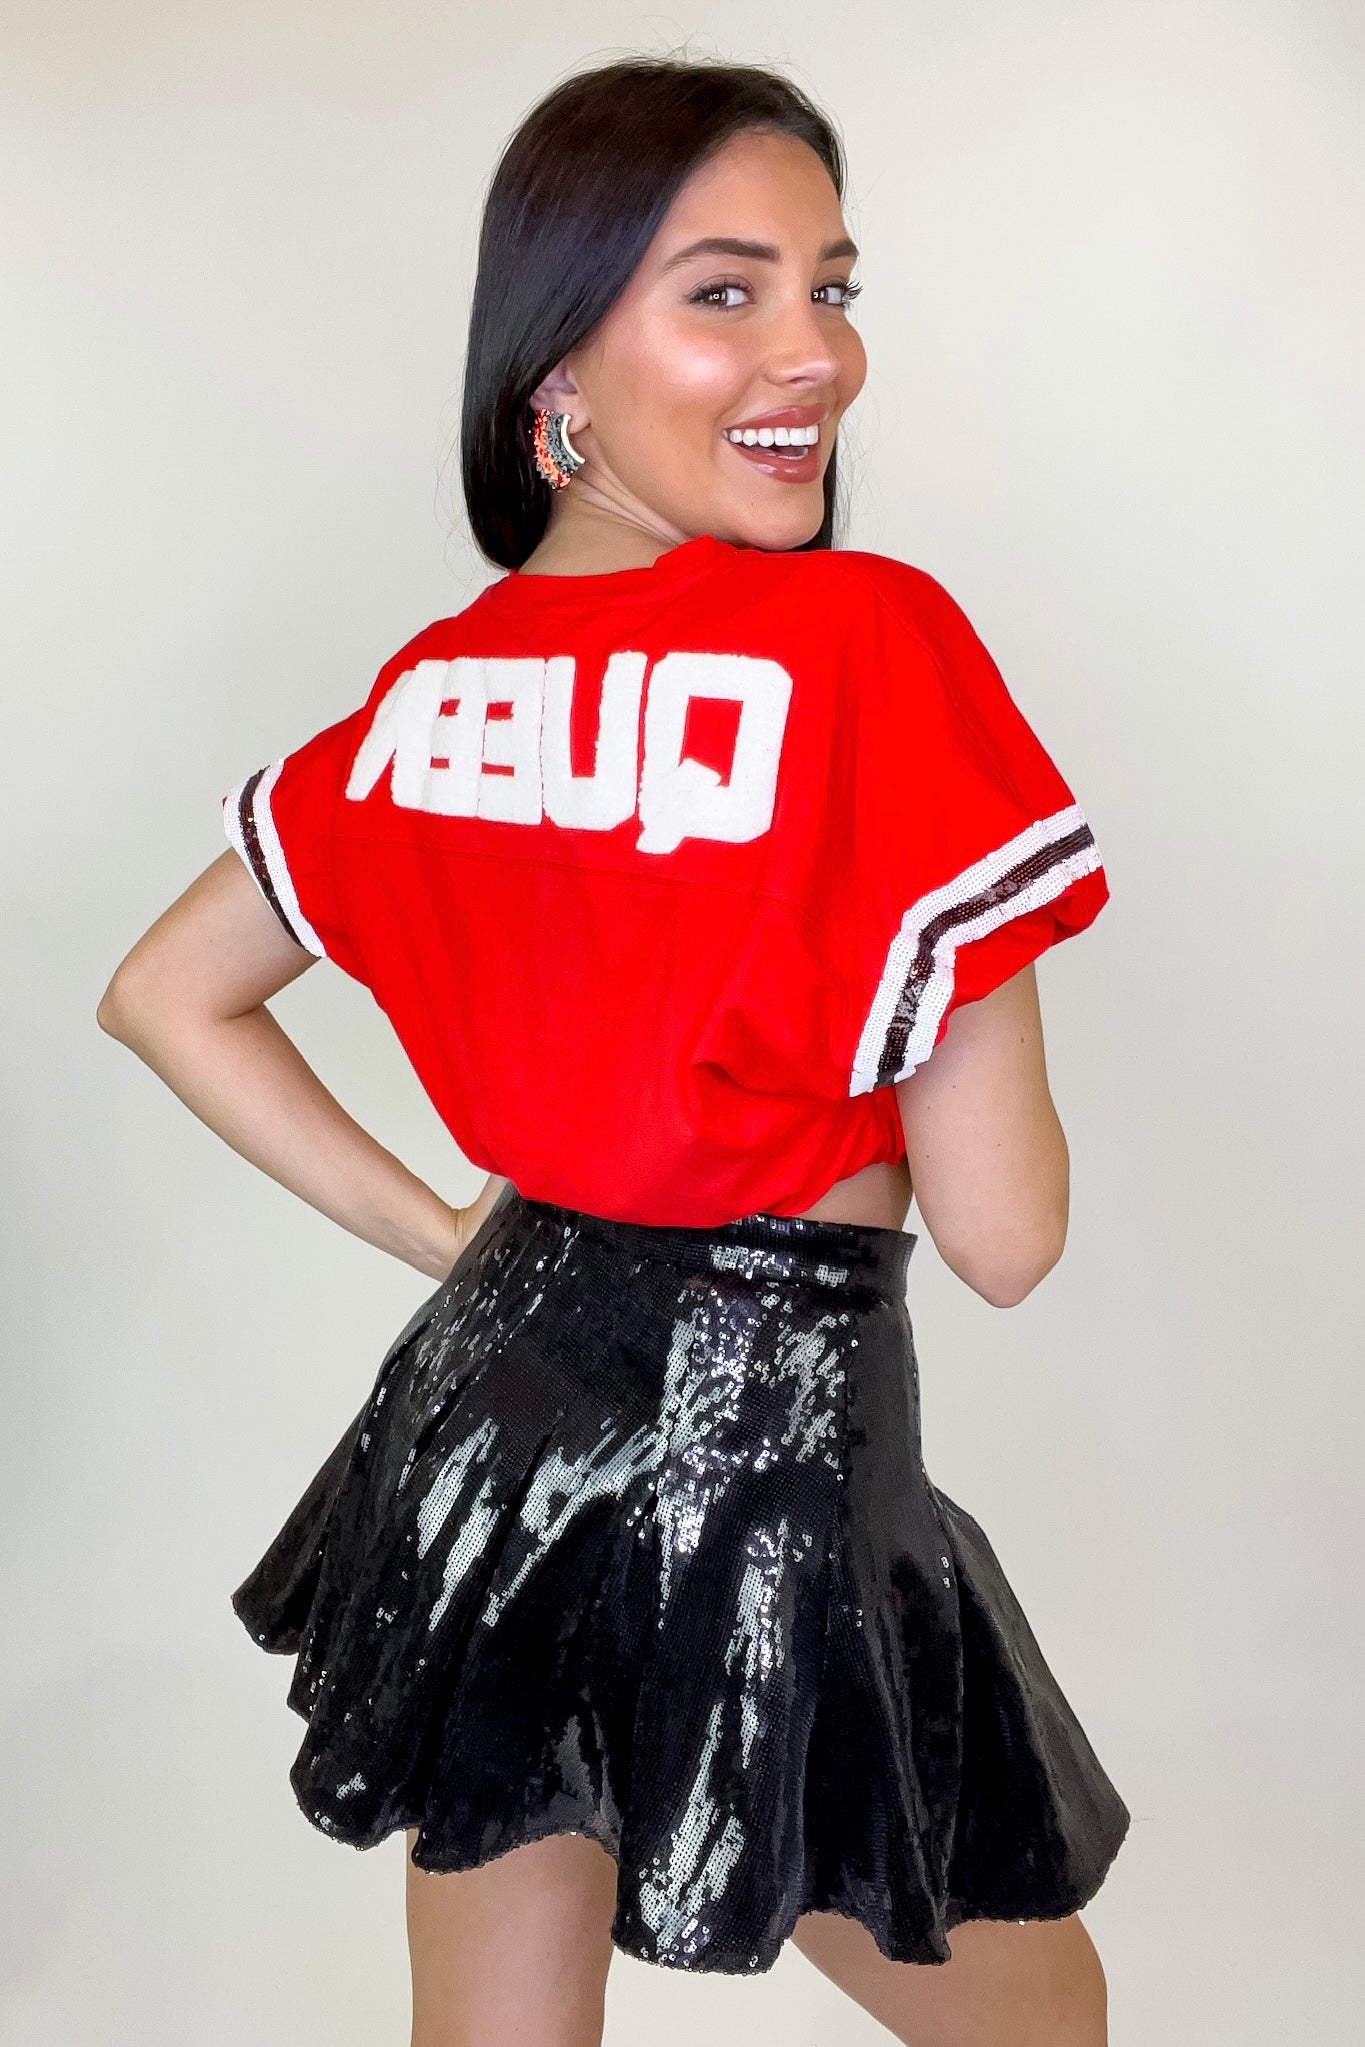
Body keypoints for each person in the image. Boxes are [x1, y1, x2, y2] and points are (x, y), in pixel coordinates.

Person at [96, 53, 1129, 2047]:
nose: (814, 354)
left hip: (483, 1415)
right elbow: (1006, 1235)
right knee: (1036, 2019)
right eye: (724, 291)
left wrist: (445, 1232)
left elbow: (163, 989)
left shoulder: (429, 693)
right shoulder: (872, 645)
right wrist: (949, 904)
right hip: (768, 1442)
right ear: (556, 361)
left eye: (831, 287)